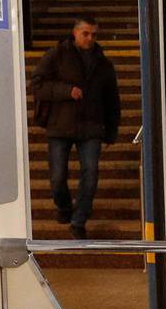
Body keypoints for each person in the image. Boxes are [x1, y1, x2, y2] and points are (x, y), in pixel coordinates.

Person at [31, 13, 121, 237]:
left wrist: (111, 131)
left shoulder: (103, 63)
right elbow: (38, 84)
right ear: (75, 33)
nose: (90, 38)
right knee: (57, 177)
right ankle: (64, 207)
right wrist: (66, 91)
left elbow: (112, 99)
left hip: (91, 127)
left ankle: (79, 220)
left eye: (93, 34)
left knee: (90, 174)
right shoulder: (56, 55)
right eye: (85, 33)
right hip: (60, 124)